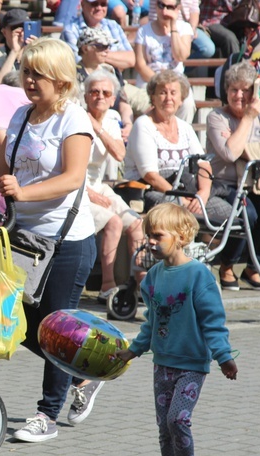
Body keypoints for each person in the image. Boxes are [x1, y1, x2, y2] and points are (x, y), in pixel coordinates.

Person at [0, 38, 101, 442]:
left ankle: (47, 414)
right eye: (26, 72)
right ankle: (82, 375)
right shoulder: (22, 116)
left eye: (37, 74)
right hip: (23, 240)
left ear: (60, 80)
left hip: (67, 242)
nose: (28, 80)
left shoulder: (73, 120)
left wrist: (23, 193)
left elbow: (72, 177)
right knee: (17, 322)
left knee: (57, 328)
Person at [117, 203, 238, 456]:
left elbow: (213, 321)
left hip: (192, 365)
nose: (151, 242)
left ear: (182, 235)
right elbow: (151, 321)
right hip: (163, 364)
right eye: (149, 235)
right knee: (164, 428)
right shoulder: (154, 276)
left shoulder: (199, 276)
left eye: (158, 235)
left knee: (177, 420)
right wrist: (132, 351)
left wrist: (223, 356)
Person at [124, 70, 232, 219]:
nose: (168, 98)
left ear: (181, 99)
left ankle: (209, 243)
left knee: (229, 213)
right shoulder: (143, 124)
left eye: (173, 93)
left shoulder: (185, 127)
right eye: (162, 93)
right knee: (179, 213)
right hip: (154, 190)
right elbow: (150, 175)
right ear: (153, 98)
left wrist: (203, 194)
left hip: (187, 188)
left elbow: (203, 164)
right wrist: (181, 200)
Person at [83, 70, 145, 302]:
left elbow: (119, 153)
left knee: (136, 222)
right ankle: (107, 286)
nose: (100, 96)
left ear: (112, 98)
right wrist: (88, 193)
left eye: (106, 92)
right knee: (114, 221)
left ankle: (140, 284)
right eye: (94, 91)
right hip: (76, 189)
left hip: (98, 185)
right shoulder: (76, 117)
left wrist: (97, 127)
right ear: (86, 95)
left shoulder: (110, 118)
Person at [206, 62, 260, 291]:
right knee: (246, 212)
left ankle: (254, 265)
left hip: (254, 183)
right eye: (233, 90)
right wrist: (248, 118)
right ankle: (227, 265)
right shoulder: (217, 117)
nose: (239, 95)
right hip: (223, 184)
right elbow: (230, 153)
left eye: (245, 90)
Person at [133, 0, 196, 123]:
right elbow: (140, 65)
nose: (164, 11)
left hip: (176, 81)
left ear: (177, 9)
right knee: (148, 103)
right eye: (161, 5)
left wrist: (173, 27)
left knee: (187, 104)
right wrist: (159, 84)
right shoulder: (143, 31)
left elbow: (181, 56)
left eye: (170, 7)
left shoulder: (184, 28)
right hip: (149, 81)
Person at [75, 27, 134, 140]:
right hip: (85, 126)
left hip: (113, 123)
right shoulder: (73, 74)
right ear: (85, 48)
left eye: (108, 46)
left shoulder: (111, 71)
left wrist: (128, 124)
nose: (107, 50)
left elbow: (123, 102)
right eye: (101, 46)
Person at [146, 0, 215, 61]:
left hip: (186, 27)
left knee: (208, 49)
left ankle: (181, 69)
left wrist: (192, 29)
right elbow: (155, 11)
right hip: (162, 25)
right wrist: (158, 29)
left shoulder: (185, 27)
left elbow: (194, 11)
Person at [0, 8, 31, 85]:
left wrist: (36, 51)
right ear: (4, 32)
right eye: (15, 27)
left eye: (24, 27)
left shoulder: (37, 53)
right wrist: (14, 51)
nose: (21, 32)